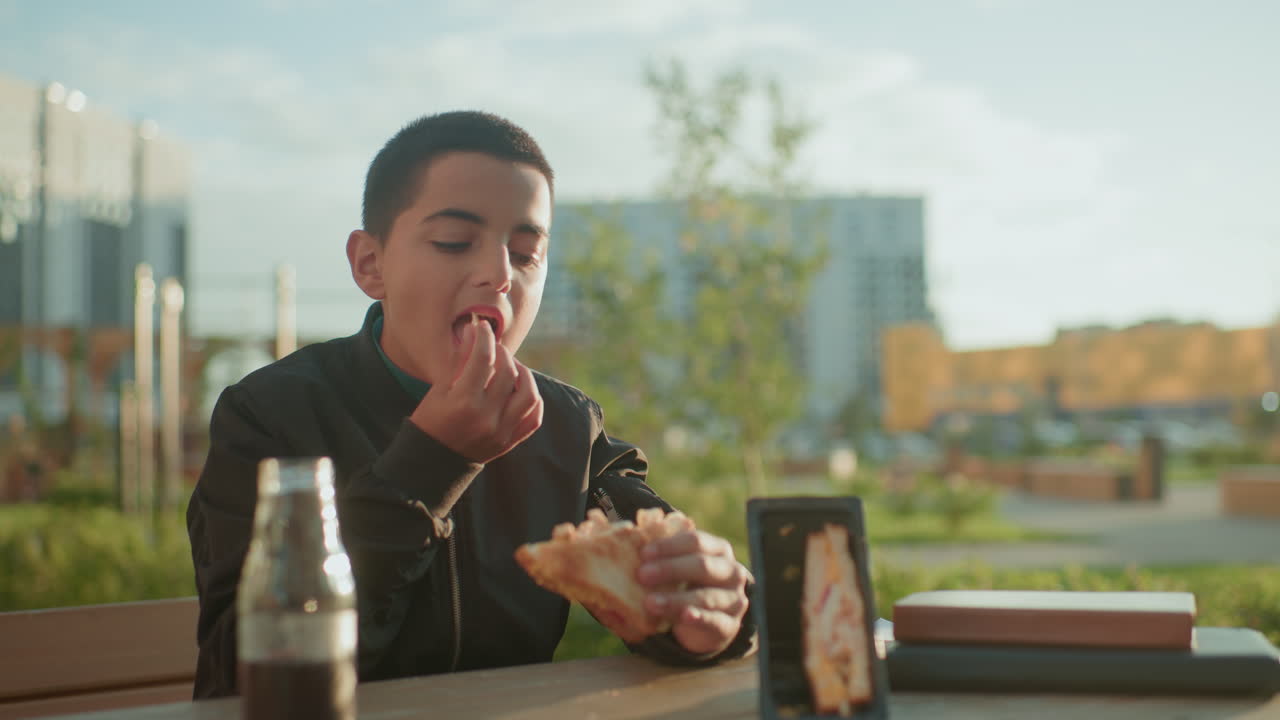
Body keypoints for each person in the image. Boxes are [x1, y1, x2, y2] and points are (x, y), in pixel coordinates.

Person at [186, 110, 757, 699]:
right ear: (370, 265)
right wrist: (433, 460)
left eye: (526, 253)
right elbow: (241, 668)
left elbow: (679, 588)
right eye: (454, 242)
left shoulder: (565, 425)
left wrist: (711, 620)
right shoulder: (271, 416)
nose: (499, 274)